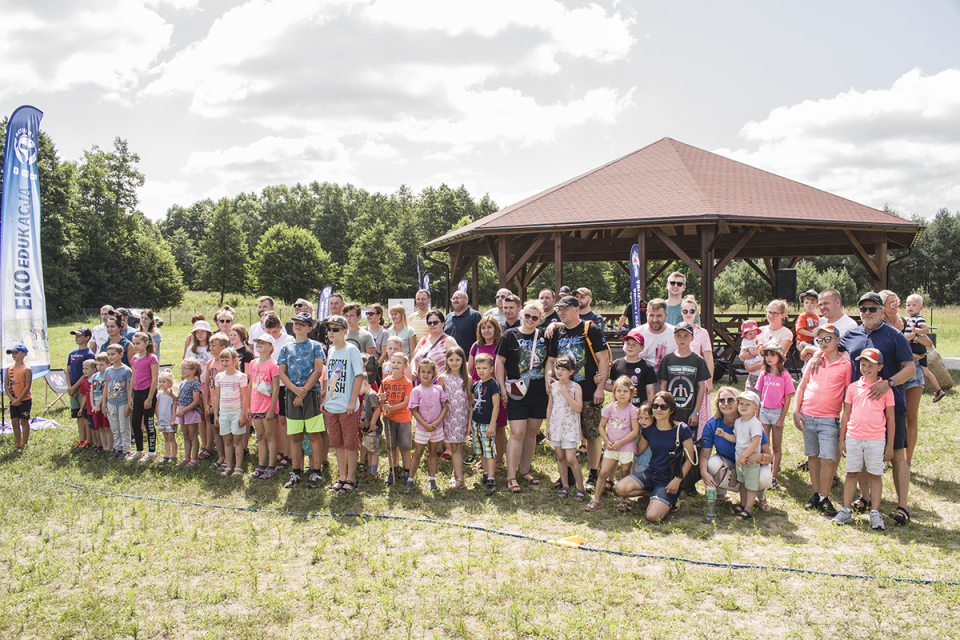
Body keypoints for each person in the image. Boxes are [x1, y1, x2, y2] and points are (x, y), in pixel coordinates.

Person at [836, 292, 915, 525]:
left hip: (891, 405)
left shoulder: (895, 336)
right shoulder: (851, 334)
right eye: (863, 309)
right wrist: (815, 356)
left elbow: (910, 368)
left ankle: (902, 505)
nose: (867, 313)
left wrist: (888, 382)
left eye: (872, 309)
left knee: (897, 455)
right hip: (860, 407)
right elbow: (833, 349)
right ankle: (864, 497)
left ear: (882, 311)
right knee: (859, 453)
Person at [545, 295, 609, 492]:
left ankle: (593, 474)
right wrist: (548, 375)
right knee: (566, 434)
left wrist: (600, 387)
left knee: (591, 435)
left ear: (576, 310)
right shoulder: (557, 332)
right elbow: (551, 359)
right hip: (564, 394)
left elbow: (604, 359)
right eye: (559, 309)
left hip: (588, 391)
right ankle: (568, 476)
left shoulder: (591, 330)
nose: (561, 312)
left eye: (566, 309)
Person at [833, 348, 896, 530]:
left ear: (880, 367)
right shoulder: (853, 387)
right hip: (853, 437)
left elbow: (891, 418)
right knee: (852, 473)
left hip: (876, 439)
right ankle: (845, 510)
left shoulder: (885, 390)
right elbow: (846, 414)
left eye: (870, 365)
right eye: (863, 365)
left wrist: (890, 445)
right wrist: (842, 439)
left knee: (875, 475)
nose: (866, 368)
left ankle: (875, 514)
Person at [793, 324, 851, 513]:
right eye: (820, 340)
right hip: (808, 415)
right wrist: (795, 410)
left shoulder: (845, 365)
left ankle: (825, 496)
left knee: (828, 458)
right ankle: (816, 493)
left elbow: (847, 395)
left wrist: (846, 421)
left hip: (829, 419)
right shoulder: (815, 361)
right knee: (813, 456)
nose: (824, 343)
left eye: (828, 339)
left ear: (837, 341)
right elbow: (802, 386)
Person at [614, 391, 696, 522]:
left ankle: (670, 499)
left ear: (671, 410)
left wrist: (677, 480)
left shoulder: (682, 429)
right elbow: (638, 451)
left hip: (668, 479)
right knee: (620, 489)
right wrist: (625, 434)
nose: (658, 409)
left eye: (663, 407)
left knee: (652, 517)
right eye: (655, 406)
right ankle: (651, 494)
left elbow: (690, 459)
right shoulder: (649, 430)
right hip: (650, 474)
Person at [496, 300, 548, 493]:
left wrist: (556, 324)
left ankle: (524, 471)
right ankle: (511, 475)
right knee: (517, 432)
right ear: (522, 314)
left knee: (532, 432)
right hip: (516, 391)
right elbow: (499, 362)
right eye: (527, 316)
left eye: (535, 317)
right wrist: (501, 387)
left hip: (539, 392)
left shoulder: (544, 336)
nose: (530, 320)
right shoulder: (510, 335)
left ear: (540, 319)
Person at [880, 290, 931, 471]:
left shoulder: (909, 322)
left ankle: (907, 462)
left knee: (911, 417)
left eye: (897, 301)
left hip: (914, 372)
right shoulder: (881, 326)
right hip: (894, 374)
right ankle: (886, 455)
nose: (896, 305)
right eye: (891, 302)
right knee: (889, 416)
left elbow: (927, 343)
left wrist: (916, 340)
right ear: (883, 307)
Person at [699, 387, 773, 508]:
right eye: (721, 401)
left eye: (730, 400)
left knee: (763, 478)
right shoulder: (712, 424)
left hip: (751, 464)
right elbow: (704, 455)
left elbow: (769, 457)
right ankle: (721, 494)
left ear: (739, 402)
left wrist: (759, 457)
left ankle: (760, 496)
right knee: (711, 463)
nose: (726, 403)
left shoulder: (753, 424)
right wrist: (704, 473)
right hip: (731, 464)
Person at [279, 312, 326, 490]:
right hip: (291, 395)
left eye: (302, 323)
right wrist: (295, 391)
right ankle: (296, 471)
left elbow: (318, 371)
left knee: (313, 435)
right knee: (296, 436)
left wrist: (303, 392)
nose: (297, 325)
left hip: (311, 395)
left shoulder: (316, 346)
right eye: (295, 322)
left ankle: (316, 470)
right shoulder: (285, 348)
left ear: (310, 328)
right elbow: (282, 372)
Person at [320, 314, 365, 494]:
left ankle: (352, 479)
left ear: (345, 331)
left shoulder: (351, 350)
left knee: (350, 444)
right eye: (329, 329)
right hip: (332, 406)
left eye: (335, 329)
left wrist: (353, 401)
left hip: (347, 407)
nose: (331, 332)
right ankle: (342, 477)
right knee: (337, 443)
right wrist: (325, 400)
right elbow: (330, 377)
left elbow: (359, 375)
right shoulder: (330, 350)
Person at [585, 376, 640, 512]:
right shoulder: (610, 408)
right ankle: (596, 499)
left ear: (631, 393)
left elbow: (635, 431)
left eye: (625, 391)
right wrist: (607, 441)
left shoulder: (632, 410)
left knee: (624, 471)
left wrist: (620, 443)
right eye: (619, 391)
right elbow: (601, 427)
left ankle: (623, 499)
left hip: (626, 447)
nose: (621, 394)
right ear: (614, 392)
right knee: (603, 471)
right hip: (611, 447)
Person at [715, 390, 765, 522]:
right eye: (741, 403)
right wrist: (724, 434)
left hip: (749, 461)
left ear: (756, 408)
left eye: (748, 404)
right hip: (740, 460)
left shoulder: (755, 423)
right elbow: (736, 438)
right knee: (742, 483)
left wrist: (744, 456)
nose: (743, 406)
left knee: (750, 485)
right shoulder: (739, 422)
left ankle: (748, 509)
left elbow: (755, 442)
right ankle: (742, 504)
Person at [405, 358, 449, 492]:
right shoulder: (416, 391)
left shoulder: (438, 389)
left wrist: (436, 422)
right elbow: (414, 411)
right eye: (423, 372)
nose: (425, 375)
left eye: (429, 372)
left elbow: (445, 407)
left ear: (434, 373)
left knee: (433, 453)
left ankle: (432, 480)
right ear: (418, 373)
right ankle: (410, 480)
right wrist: (425, 424)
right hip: (422, 429)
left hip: (436, 428)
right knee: (418, 452)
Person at [658, 322, 710, 431]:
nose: (682, 339)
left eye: (686, 336)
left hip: (690, 411)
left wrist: (696, 412)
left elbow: (701, 388)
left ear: (692, 338)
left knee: (689, 443)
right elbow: (664, 385)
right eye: (679, 336)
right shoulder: (668, 359)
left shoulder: (698, 360)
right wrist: (665, 408)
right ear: (674, 337)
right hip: (671, 411)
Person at [756, 343, 794, 490]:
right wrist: (757, 413)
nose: (769, 358)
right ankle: (764, 472)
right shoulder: (763, 374)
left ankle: (774, 475)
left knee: (776, 445)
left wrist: (782, 418)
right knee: (764, 444)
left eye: (773, 355)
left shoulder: (785, 375)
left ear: (780, 357)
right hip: (764, 412)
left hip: (777, 412)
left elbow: (788, 397)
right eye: (767, 355)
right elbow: (759, 395)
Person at [545, 356, 584, 500]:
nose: (559, 372)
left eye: (563, 369)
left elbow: (578, 408)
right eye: (557, 369)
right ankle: (565, 485)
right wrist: (548, 426)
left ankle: (580, 487)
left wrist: (567, 394)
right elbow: (550, 406)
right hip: (556, 427)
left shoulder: (575, 387)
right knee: (560, 457)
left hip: (569, 428)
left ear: (571, 371)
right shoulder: (553, 386)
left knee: (571, 458)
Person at [263, 311, 294, 470]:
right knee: (273, 419)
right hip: (268, 386)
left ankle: (288, 454)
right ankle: (280, 450)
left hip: (284, 385)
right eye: (269, 332)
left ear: (281, 327)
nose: (272, 335)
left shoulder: (289, 340)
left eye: (274, 332)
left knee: (284, 420)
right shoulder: (264, 340)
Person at [247, 334, 281, 479]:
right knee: (260, 436)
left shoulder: (273, 365)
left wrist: (272, 409)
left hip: (268, 408)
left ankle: (271, 467)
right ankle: (261, 466)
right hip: (255, 406)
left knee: (270, 435)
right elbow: (250, 385)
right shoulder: (253, 363)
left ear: (270, 347)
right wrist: (248, 406)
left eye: (263, 342)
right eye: (258, 342)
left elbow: (276, 388)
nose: (259, 344)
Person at [212, 348, 249, 477]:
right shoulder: (219, 376)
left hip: (236, 412)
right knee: (227, 441)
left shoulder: (241, 376)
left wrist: (243, 415)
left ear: (234, 360)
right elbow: (216, 397)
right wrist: (216, 414)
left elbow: (244, 397)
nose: (224, 363)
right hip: (224, 413)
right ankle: (228, 466)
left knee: (238, 441)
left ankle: (238, 467)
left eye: (226, 360)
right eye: (222, 360)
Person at [904, 293, 946, 404]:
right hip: (918, 346)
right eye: (908, 305)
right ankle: (938, 390)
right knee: (926, 371)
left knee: (917, 368)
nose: (910, 307)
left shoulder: (918, 318)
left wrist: (916, 332)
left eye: (914, 305)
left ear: (921, 308)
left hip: (916, 346)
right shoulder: (911, 318)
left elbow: (926, 330)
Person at [681, 295, 715, 431]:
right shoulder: (676, 330)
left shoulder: (702, 333)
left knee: (700, 410)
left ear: (696, 312)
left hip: (698, 377)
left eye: (692, 311)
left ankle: (701, 438)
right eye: (685, 311)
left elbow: (708, 357)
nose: (688, 314)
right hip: (682, 375)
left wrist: (710, 380)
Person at [439, 347, 471, 489]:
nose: (454, 362)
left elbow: (470, 402)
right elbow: (437, 400)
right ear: (446, 360)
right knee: (454, 447)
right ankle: (459, 477)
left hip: (462, 417)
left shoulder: (467, 379)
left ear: (463, 361)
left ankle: (458, 477)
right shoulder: (443, 378)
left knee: (458, 446)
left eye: (457, 360)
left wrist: (470, 422)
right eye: (451, 360)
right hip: (448, 418)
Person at [380, 351, 414, 484]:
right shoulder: (385, 381)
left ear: (405, 366)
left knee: (405, 447)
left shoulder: (407, 383)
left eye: (399, 362)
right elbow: (381, 400)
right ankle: (393, 470)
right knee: (391, 447)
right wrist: (382, 400)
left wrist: (391, 408)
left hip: (403, 419)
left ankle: (407, 471)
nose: (395, 364)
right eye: (393, 362)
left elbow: (406, 402)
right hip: (389, 419)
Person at [471, 353, 501, 495]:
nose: (481, 371)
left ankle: (491, 479)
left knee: (489, 451)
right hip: (476, 422)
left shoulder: (493, 384)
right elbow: (472, 404)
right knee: (481, 450)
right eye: (478, 368)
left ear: (491, 369)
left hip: (486, 424)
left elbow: (496, 406)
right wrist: (469, 424)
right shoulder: (476, 385)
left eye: (484, 368)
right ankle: (485, 473)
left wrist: (491, 425)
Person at [128, 332, 159, 462]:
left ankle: (152, 452)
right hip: (137, 393)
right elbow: (133, 377)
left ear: (146, 343)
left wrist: (150, 397)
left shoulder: (151, 358)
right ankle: (139, 450)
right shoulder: (134, 358)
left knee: (148, 422)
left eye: (138, 343)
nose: (135, 346)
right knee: (135, 422)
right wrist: (130, 396)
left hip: (148, 392)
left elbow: (155, 378)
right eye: (134, 343)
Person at [608, 329, 657, 408]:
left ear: (642, 348)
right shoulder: (616, 364)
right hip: (620, 408)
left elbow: (650, 392)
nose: (630, 347)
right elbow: (613, 387)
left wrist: (648, 409)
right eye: (628, 344)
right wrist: (600, 383)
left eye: (634, 345)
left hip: (638, 408)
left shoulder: (647, 367)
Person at [202, 333, 230, 469]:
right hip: (212, 403)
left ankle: (228, 458)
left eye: (214, 345)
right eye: (210, 345)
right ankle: (220, 457)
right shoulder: (209, 363)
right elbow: (207, 384)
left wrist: (217, 405)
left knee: (224, 431)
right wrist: (207, 403)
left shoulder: (226, 363)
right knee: (215, 431)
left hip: (223, 403)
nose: (211, 347)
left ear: (223, 347)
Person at [102, 344, 133, 460]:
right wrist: (104, 405)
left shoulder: (126, 370)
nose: (110, 357)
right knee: (114, 427)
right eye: (108, 354)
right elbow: (106, 387)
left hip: (123, 402)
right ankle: (118, 448)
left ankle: (126, 450)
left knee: (124, 427)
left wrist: (129, 404)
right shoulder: (108, 370)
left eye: (113, 354)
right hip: (111, 403)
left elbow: (129, 388)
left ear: (121, 355)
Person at [67, 326, 96, 448]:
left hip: (82, 388)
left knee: (84, 415)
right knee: (77, 415)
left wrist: (74, 387)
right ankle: (81, 439)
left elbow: (87, 374)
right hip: (72, 388)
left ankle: (88, 440)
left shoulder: (89, 354)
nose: (77, 337)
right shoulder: (72, 353)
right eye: (75, 335)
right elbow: (67, 371)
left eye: (79, 335)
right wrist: (70, 387)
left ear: (87, 337)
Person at [412, 310, 459, 378]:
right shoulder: (423, 340)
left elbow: (457, 362)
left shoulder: (449, 341)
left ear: (443, 324)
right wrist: (413, 370)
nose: (432, 325)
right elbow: (413, 359)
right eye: (429, 323)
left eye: (435, 322)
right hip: (420, 384)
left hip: (440, 384)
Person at [175, 358, 203, 467]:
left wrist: (183, 411)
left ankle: (194, 458)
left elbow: (196, 401)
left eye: (185, 368)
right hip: (182, 411)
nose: (182, 370)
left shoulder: (195, 383)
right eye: (182, 368)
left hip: (190, 412)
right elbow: (178, 397)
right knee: (185, 435)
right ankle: (186, 457)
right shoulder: (182, 383)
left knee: (192, 436)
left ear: (193, 370)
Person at [639, 299, 676, 378]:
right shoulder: (637, 333)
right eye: (651, 315)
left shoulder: (676, 334)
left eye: (659, 316)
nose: (655, 320)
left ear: (666, 316)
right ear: (647, 315)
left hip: (668, 381)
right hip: (643, 381)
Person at [6, 344, 33, 451]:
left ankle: (25, 443)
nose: (14, 355)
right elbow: (6, 385)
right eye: (12, 353)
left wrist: (19, 400)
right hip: (13, 401)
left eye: (16, 352)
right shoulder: (9, 368)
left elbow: (27, 386)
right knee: (14, 421)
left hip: (24, 400)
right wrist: (12, 399)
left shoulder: (27, 369)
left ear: (24, 354)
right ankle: (18, 443)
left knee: (23, 421)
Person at [357, 368, 382, 480]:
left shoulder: (371, 395)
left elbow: (377, 409)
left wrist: (372, 423)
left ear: (365, 383)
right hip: (367, 429)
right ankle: (371, 471)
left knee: (372, 451)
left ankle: (373, 472)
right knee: (369, 449)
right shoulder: (367, 395)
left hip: (372, 428)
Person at [343, 303, 378, 381]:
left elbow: (371, 361)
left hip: (360, 376)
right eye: (346, 315)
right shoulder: (340, 334)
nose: (348, 318)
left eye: (352, 316)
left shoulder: (366, 335)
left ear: (359, 317)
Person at [90, 354, 111, 453]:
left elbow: (105, 392)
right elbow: (91, 391)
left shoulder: (108, 376)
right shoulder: (95, 376)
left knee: (107, 427)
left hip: (103, 405)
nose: (99, 367)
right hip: (95, 406)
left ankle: (109, 448)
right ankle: (104, 447)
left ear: (108, 365)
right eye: (97, 365)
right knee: (101, 428)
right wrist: (93, 405)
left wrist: (98, 405)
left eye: (101, 364)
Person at [156, 371, 177, 464]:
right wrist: (157, 418)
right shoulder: (159, 395)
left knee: (172, 438)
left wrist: (173, 420)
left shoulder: (172, 395)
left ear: (170, 383)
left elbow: (174, 408)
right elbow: (157, 407)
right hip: (162, 421)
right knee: (166, 439)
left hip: (170, 421)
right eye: (160, 382)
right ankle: (166, 456)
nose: (161, 384)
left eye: (163, 382)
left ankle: (174, 456)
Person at [739, 320, 763, 393]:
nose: (753, 336)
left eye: (755, 333)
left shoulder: (749, 341)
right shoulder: (748, 341)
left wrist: (757, 347)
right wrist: (760, 349)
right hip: (752, 361)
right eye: (750, 334)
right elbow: (753, 352)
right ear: (745, 334)